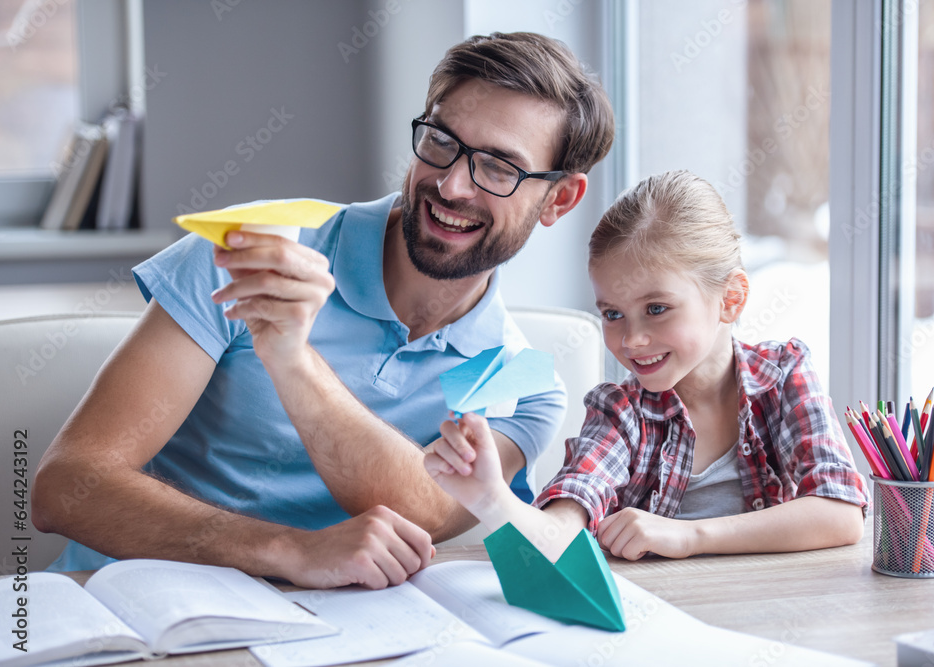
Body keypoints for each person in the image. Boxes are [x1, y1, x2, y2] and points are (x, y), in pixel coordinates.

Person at [32, 32, 615, 588]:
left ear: (558, 199)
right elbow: (65, 488)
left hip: (319, 630)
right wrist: (288, 550)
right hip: (116, 607)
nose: (453, 186)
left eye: (498, 168)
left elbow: (430, 513)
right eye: (441, 142)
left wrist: (293, 360)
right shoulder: (250, 250)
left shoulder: (523, 382)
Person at [425, 170, 869, 563]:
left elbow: (840, 512)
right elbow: (564, 526)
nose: (632, 340)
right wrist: (492, 498)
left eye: (657, 308)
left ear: (730, 299)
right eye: (613, 314)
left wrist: (690, 535)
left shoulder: (784, 376)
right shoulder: (621, 412)